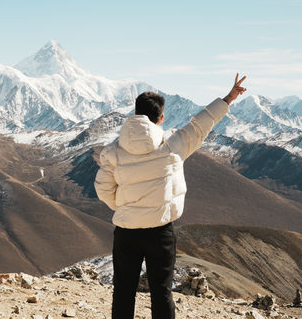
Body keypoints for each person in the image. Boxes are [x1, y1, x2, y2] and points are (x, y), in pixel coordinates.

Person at [94, 74, 247, 319]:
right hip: (160, 231)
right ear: (161, 118)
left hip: (125, 231)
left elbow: (102, 188)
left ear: (135, 114)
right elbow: (201, 125)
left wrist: (124, 207)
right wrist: (229, 98)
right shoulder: (173, 145)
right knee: (161, 291)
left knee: (123, 291)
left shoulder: (114, 151)